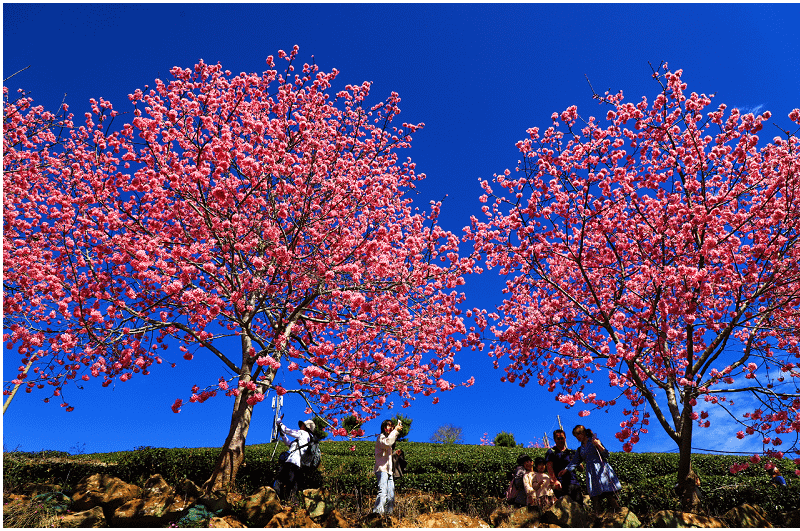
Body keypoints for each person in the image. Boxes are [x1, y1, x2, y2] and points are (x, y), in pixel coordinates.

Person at [562, 425, 622, 516]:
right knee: (594, 496)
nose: (577, 437)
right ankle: (598, 516)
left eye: (579, 433)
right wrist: (566, 470)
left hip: (601, 468)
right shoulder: (580, 449)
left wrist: (598, 445)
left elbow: (606, 455)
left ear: (584, 432)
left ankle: (618, 512)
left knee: (607, 492)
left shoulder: (594, 441)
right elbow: (575, 462)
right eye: (576, 435)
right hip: (591, 471)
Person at [274, 417, 316, 503]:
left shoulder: (302, 433)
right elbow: (288, 443)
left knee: (279, 481)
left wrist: (279, 423)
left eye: (302, 425)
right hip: (297, 465)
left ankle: (277, 501)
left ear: (305, 427)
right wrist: (282, 433)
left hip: (292, 463)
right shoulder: (305, 439)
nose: (300, 427)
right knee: (292, 484)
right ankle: (292, 504)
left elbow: (286, 430)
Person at [372, 418, 403, 516]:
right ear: (384, 427)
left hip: (389, 471)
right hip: (382, 470)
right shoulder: (381, 437)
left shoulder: (388, 440)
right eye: (388, 425)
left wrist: (395, 453)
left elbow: (387, 453)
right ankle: (377, 513)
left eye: (392, 426)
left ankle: (388, 514)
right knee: (383, 491)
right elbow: (387, 443)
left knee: (391, 494)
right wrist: (396, 431)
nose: (390, 427)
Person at [545, 429, 583, 504]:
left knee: (579, 507)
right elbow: (549, 468)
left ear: (565, 438)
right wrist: (555, 481)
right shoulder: (551, 452)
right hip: (560, 485)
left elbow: (581, 469)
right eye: (558, 438)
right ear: (555, 440)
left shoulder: (572, 452)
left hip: (574, 483)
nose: (560, 440)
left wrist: (578, 463)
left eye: (562, 438)